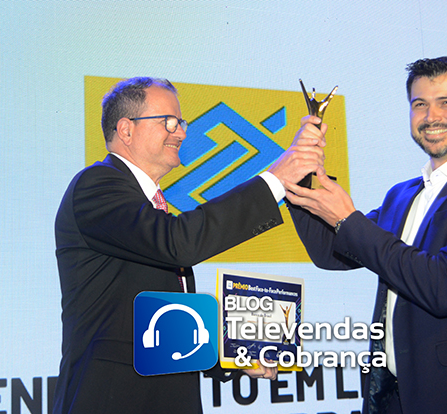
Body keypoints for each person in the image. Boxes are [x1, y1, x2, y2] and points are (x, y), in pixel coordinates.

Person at [53, 77, 326, 414]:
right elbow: (178, 242)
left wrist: (236, 355)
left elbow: (164, 320)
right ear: (126, 130)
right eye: (168, 122)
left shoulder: (149, 205)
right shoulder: (96, 186)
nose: (181, 133)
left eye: (181, 123)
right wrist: (275, 180)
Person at [284, 57, 447, 414]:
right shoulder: (402, 195)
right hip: (393, 399)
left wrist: (348, 218)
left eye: (446, 102)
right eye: (420, 105)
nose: (431, 116)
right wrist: (301, 170)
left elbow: (445, 288)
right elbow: (330, 252)